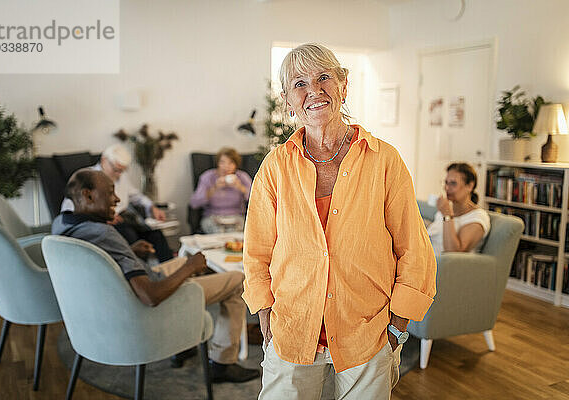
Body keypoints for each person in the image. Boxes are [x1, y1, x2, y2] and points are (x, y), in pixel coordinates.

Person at [242, 43, 437, 399]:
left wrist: (398, 325)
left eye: (323, 78)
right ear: (287, 99)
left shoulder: (384, 161)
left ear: (343, 86)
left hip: (368, 330)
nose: (314, 91)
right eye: (300, 83)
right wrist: (265, 313)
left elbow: (414, 248)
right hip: (292, 329)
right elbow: (256, 251)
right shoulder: (275, 167)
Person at [53, 169, 260, 383]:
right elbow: (150, 296)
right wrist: (189, 268)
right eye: (111, 192)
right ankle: (222, 364)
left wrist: (129, 252)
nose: (117, 199)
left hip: (122, 289)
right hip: (143, 303)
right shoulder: (103, 233)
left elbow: (96, 260)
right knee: (236, 279)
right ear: (88, 195)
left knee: (184, 262)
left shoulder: (63, 224)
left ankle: (184, 342)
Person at [61, 144, 172, 262]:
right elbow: (69, 210)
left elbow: (135, 195)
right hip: (106, 223)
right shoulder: (86, 177)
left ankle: (169, 267)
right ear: (104, 160)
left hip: (124, 218)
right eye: (116, 169)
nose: (119, 174)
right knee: (130, 237)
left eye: (122, 171)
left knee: (155, 234)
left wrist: (151, 207)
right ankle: (138, 272)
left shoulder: (121, 176)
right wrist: (101, 218)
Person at [426, 163, 491, 257]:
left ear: (470, 186)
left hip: (444, 267)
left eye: (453, 183)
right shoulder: (445, 209)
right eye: (446, 183)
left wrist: (447, 215)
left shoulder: (478, 217)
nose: (447, 188)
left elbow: (453, 254)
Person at [189, 147, 252, 233]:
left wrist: (240, 187)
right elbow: (194, 203)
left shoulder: (242, 177)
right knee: (219, 234)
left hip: (236, 217)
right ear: (218, 163)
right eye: (222, 162)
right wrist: (214, 188)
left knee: (236, 237)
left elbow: (256, 200)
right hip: (213, 217)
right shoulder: (208, 177)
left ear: (236, 165)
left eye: (231, 163)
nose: (226, 167)